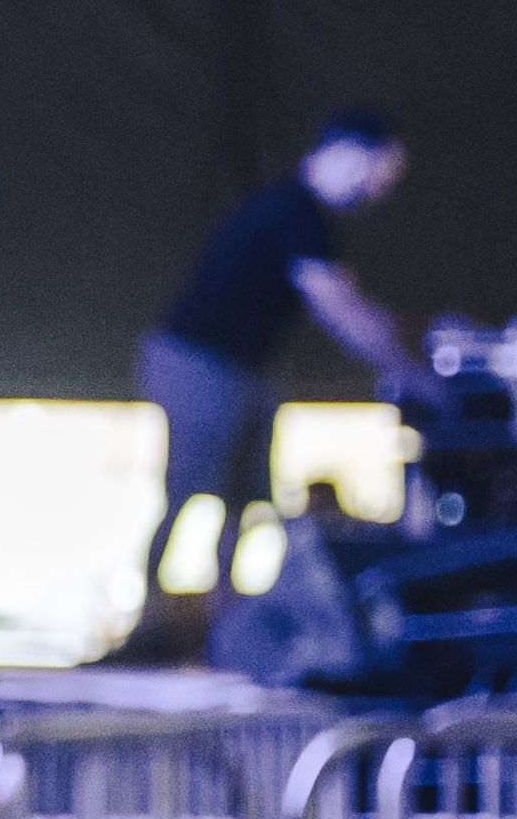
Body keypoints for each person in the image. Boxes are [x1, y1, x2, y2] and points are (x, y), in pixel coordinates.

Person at [141, 109, 414, 614]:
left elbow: (348, 300)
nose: (380, 191)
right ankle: (150, 613)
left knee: (245, 493)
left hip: (242, 368)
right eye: (382, 174)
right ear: (350, 153)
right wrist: (402, 365)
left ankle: (226, 615)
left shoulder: (310, 222)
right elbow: (334, 303)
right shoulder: (293, 208)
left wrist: (392, 339)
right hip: (198, 360)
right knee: (189, 483)